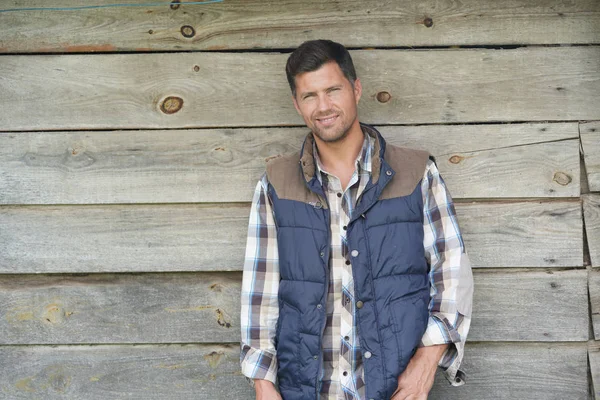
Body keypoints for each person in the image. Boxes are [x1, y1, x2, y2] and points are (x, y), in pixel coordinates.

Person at [240, 39, 474, 400]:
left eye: (333, 90)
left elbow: (452, 274)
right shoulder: (275, 184)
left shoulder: (416, 174)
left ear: (356, 89)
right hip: (303, 391)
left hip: (395, 389)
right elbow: (261, 291)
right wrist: (263, 383)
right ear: (297, 104)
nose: (323, 106)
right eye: (309, 96)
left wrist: (426, 365)